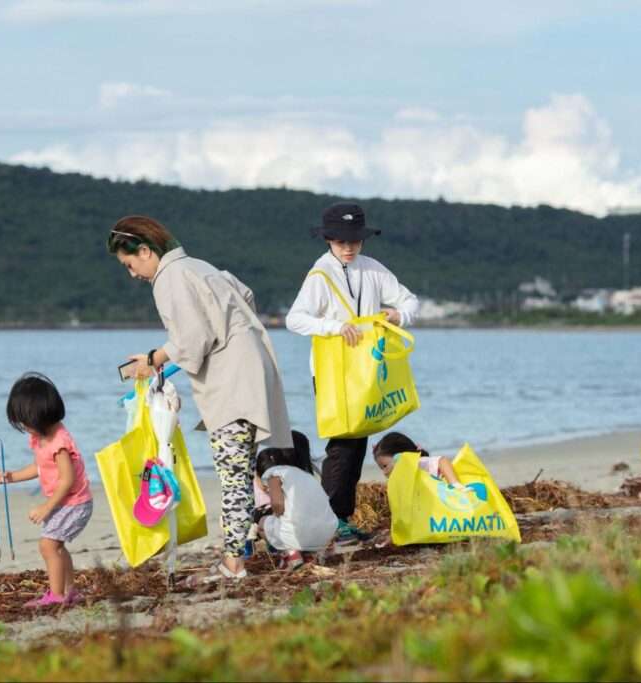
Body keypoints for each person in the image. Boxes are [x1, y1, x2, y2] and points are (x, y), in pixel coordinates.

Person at [107, 215, 293, 580]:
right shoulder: (198, 266)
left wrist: (152, 360)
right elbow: (246, 295)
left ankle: (234, 563)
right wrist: (234, 333)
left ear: (146, 251)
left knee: (233, 474)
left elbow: (192, 340)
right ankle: (236, 554)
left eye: (130, 265)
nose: (133, 275)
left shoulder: (168, 279)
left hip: (232, 381)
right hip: (251, 369)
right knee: (239, 470)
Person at [286, 202, 419, 546]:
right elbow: (295, 319)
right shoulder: (320, 274)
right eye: (341, 240)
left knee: (355, 441)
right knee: (344, 442)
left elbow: (410, 301)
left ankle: (336, 518)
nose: (348, 247)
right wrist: (333, 327)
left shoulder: (372, 269)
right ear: (328, 239)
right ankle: (333, 520)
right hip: (331, 372)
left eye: (354, 241)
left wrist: (396, 316)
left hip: (366, 369)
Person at [0, 373, 93, 608]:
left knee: (48, 545)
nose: (24, 428)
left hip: (75, 502)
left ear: (39, 417)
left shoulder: (59, 442)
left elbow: (68, 479)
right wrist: (11, 477)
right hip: (66, 501)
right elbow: (40, 467)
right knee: (57, 546)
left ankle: (56, 595)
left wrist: (46, 507)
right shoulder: (40, 436)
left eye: (25, 422)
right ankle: (70, 591)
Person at [254, 431, 338, 570]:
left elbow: (277, 504)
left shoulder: (275, 474)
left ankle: (291, 555)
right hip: (325, 535)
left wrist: (277, 514)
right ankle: (308, 555)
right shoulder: (309, 477)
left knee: (263, 522)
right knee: (299, 523)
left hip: (298, 535)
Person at [372, 432, 462, 486]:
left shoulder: (417, 463)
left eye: (385, 466)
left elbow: (442, 460)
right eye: (381, 468)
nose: (384, 472)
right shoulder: (400, 478)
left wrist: (454, 484)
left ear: (400, 457)